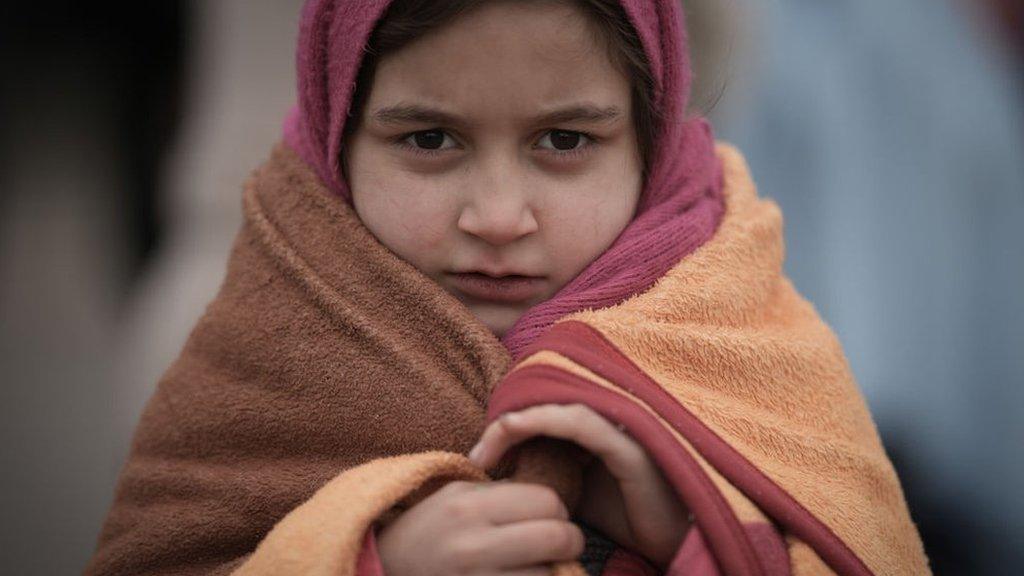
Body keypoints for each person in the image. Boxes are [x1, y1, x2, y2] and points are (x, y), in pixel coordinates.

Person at [85, 1, 929, 575]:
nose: (495, 217)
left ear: (652, 137)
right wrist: (368, 557)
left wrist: (691, 537)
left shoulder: (739, 329)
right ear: (339, 134)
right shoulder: (268, 343)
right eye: (427, 139)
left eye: (563, 139)